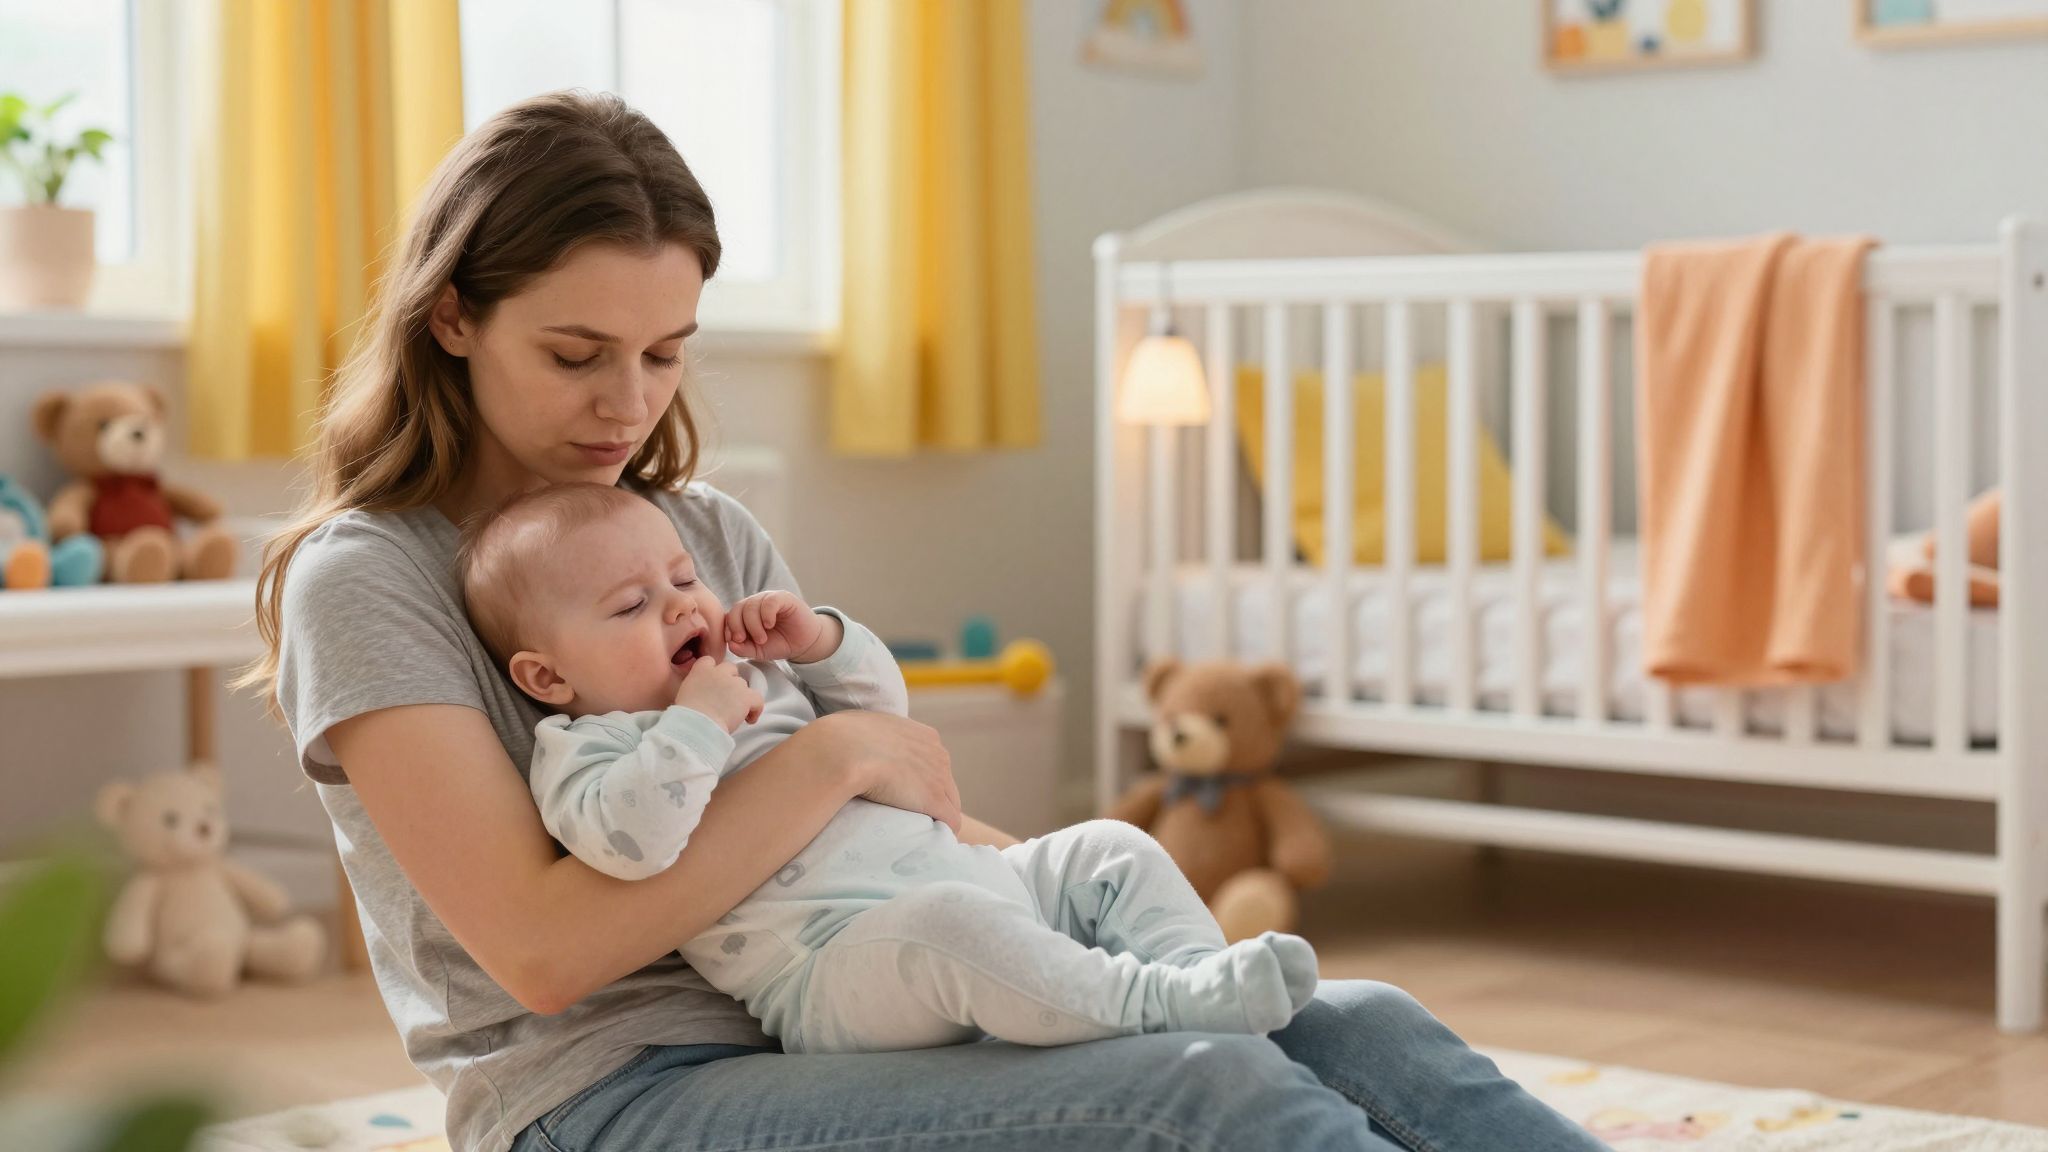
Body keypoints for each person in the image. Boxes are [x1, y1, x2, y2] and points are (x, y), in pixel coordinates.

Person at [250, 89, 1606, 1152]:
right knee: (1207, 1093)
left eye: (665, 354)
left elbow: (895, 819)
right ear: (452, 319)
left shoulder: (700, 529)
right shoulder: (366, 579)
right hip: (610, 1094)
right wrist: (833, 759)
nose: (629, 404)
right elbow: (545, 955)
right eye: (576, 354)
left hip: (854, 1003)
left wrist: (1038, 901)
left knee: (1354, 1023)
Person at [455, 481, 1321, 1054]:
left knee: (1108, 848)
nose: (681, 606)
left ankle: (1201, 976)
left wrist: (818, 641)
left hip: (976, 879)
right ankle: (1152, 1005)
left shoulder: (752, 670)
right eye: (631, 606)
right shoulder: (587, 749)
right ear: (548, 677)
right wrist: (698, 723)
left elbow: (884, 719)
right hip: (833, 969)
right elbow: (637, 841)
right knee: (950, 927)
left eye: (683, 578)